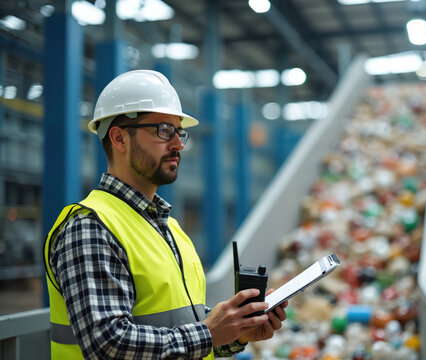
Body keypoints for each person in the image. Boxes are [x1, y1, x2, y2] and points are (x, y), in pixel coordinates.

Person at [43, 70, 287, 359]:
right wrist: (208, 333)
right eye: (163, 130)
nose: (178, 144)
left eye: (179, 132)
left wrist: (236, 330)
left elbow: (181, 326)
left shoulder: (169, 228)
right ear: (119, 138)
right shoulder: (89, 228)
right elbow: (108, 343)